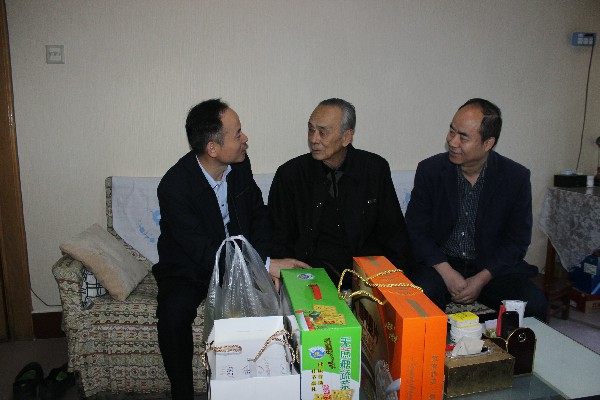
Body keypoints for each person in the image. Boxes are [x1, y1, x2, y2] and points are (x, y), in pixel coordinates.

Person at [152, 99, 308, 400]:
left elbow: (258, 216)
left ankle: (268, 385)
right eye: (237, 134)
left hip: (241, 258)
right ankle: (182, 393)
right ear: (213, 148)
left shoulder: (239, 165)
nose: (245, 139)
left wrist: (264, 261)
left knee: (282, 297)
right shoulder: (175, 186)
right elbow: (201, 251)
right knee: (172, 316)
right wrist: (262, 266)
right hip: (190, 267)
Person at [405, 98, 547, 321]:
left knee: (534, 303)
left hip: (491, 268)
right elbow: (416, 229)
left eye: (463, 137)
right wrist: (447, 272)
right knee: (418, 300)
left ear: (488, 143)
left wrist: (482, 278)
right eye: (452, 131)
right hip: (440, 263)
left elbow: (517, 241)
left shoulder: (515, 177)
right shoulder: (430, 170)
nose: (452, 141)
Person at [268, 98, 413, 288]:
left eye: (323, 132)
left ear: (346, 137)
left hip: (366, 274)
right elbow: (279, 238)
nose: (314, 139)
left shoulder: (374, 169)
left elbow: (394, 234)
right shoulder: (290, 175)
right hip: (311, 276)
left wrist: (398, 281)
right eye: (311, 130)